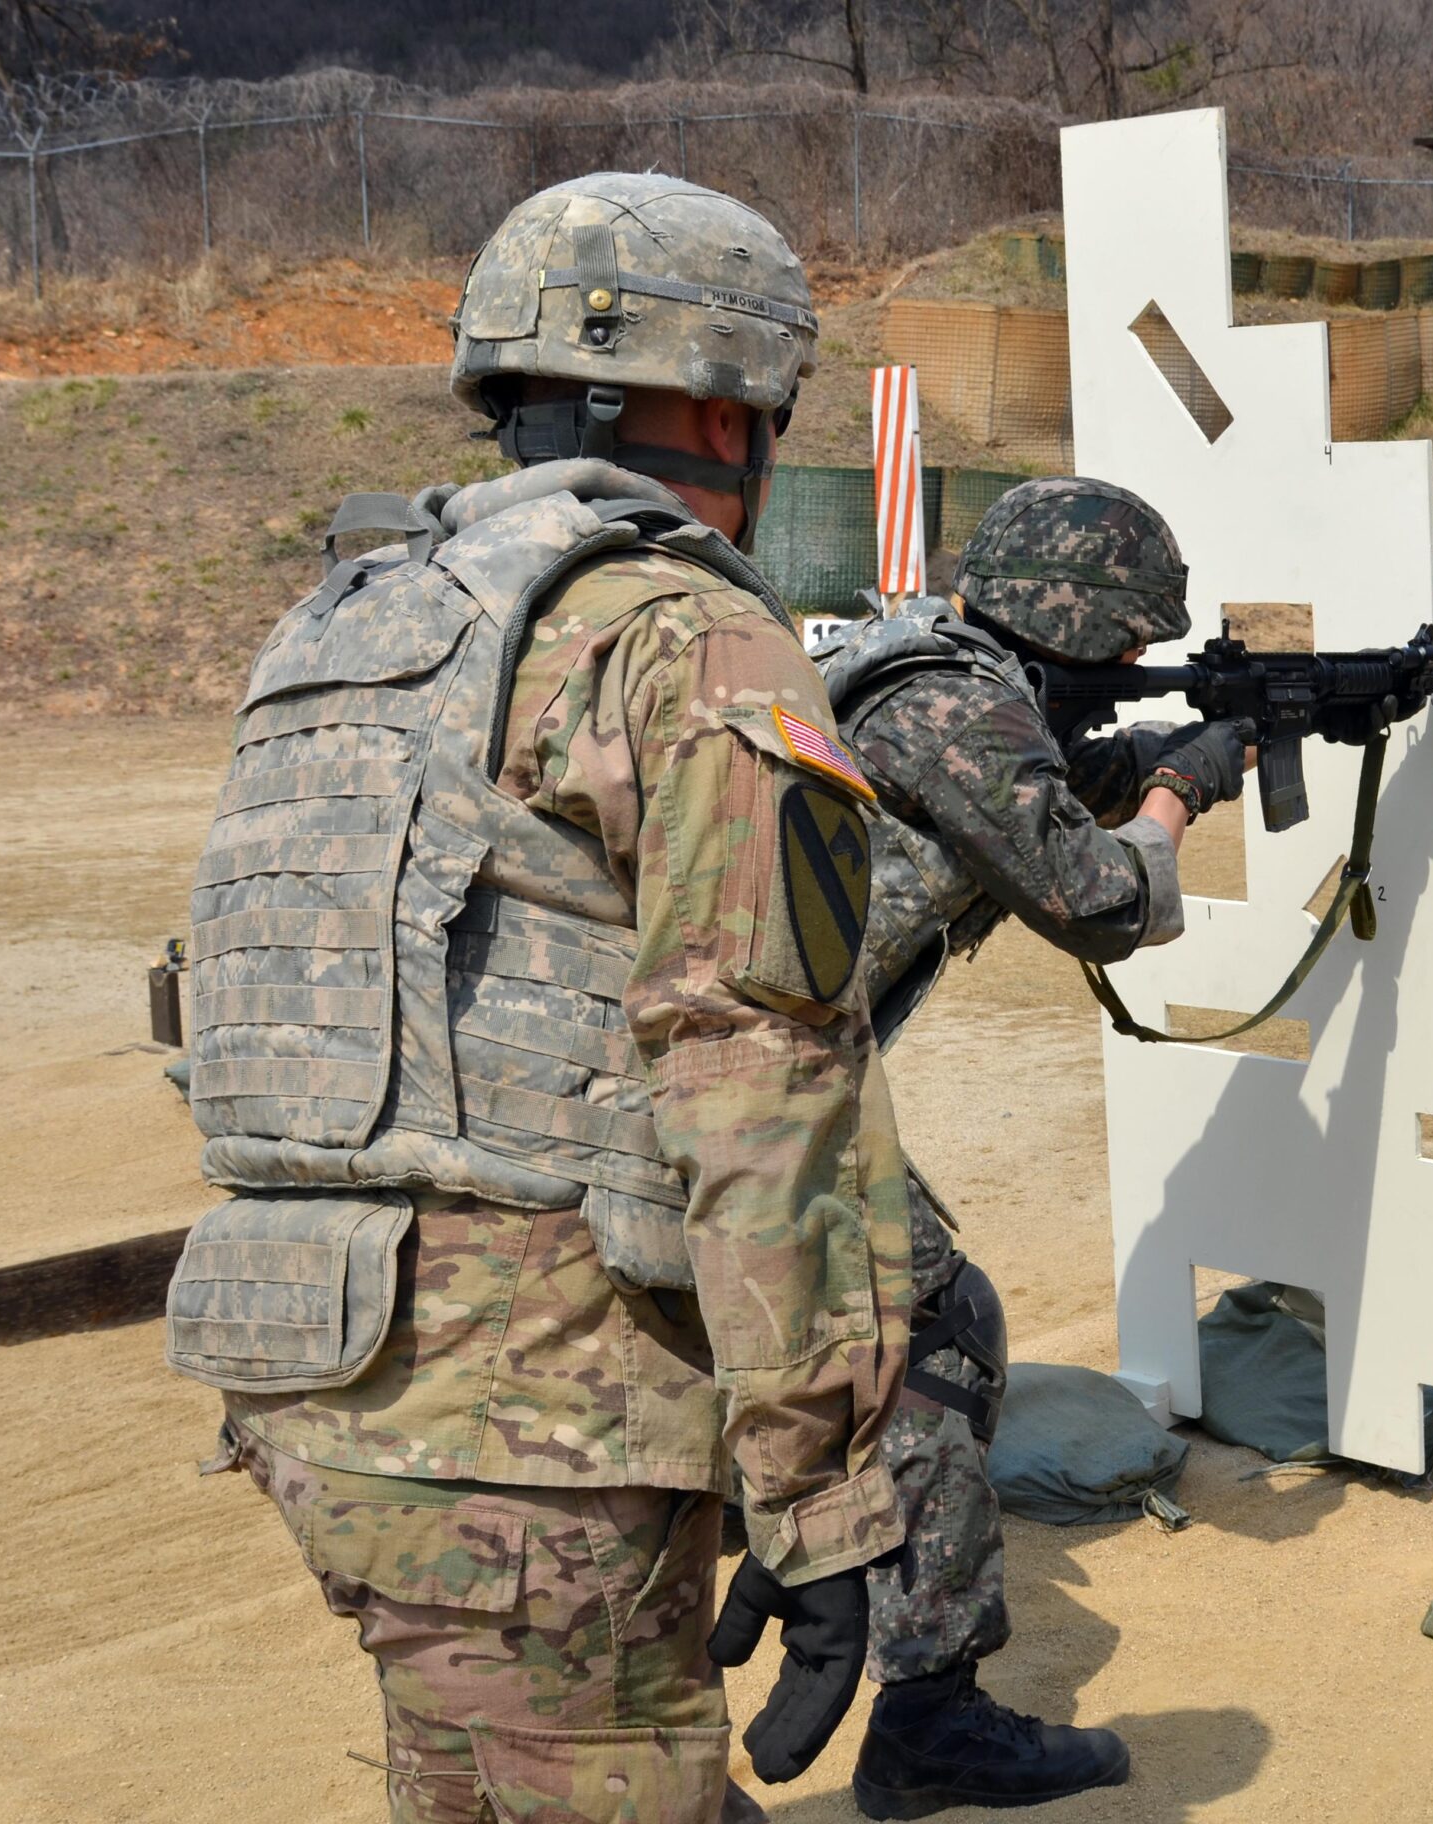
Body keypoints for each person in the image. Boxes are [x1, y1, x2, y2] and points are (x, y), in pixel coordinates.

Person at [165, 173, 914, 1823]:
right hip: (548, 1424)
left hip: (312, 1362)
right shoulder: (682, 637)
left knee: (466, 1780)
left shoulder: (352, 617)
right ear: (721, 403)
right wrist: (822, 1501)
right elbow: (764, 1078)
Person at [810, 476, 1249, 1819]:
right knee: (939, 1337)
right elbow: (1097, 893)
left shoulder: (924, 676)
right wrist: (1181, 788)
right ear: (1090, 626)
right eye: (1126, 648)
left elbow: (1023, 796)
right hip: (743, 1089)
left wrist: (1157, 755)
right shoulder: (961, 708)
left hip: (732, 1074)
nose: (1131, 668)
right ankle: (930, 1722)